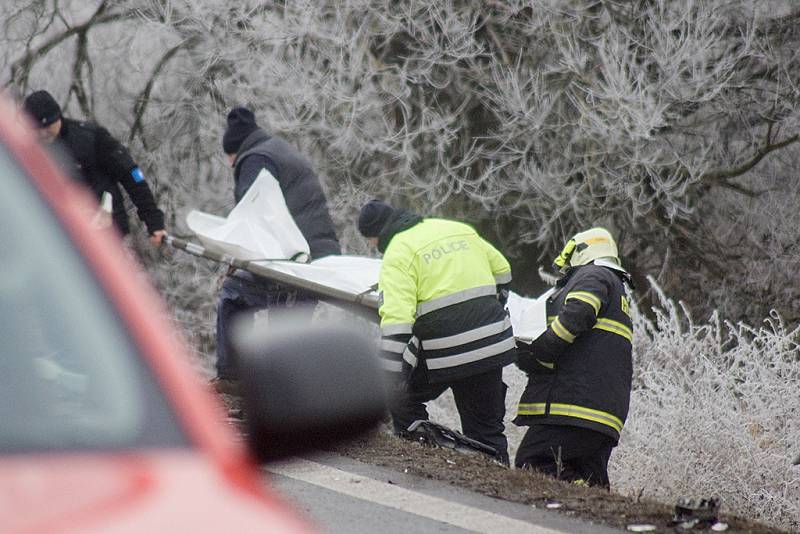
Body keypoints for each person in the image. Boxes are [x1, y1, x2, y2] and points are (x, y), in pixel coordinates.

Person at [358, 200, 516, 463]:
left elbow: (397, 324)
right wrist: (489, 313)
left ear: (375, 236)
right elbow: (502, 271)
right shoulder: (456, 228)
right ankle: (496, 479)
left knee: (402, 399)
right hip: (491, 344)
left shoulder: (398, 252)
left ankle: (424, 458)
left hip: (444, 348)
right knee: (486, 428)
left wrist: (387, 379)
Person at [214, 107, 341, 388]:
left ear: (234, 150)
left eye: (229, 158)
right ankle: (283, 385)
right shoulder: (278, 150)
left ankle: (233, 379)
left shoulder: (255, 159)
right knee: (287, 324)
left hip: (294, 259)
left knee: (234, 294)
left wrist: (235, 261)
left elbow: (251, 215)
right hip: (316, 256)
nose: (230, 164)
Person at [514, 227, 633, 488]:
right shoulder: (617, 291)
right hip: (600, 412)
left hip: (575, 407)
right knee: (590, 479)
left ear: (581, 251)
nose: (566, 272)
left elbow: (578, 312)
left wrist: (540, 348)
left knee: (534, 462)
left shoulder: (594, 274)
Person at [22, 90, 166, 245]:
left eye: (48, 126)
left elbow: (132, 175)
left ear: (58, 117)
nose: (43, 133)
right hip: (62, 241)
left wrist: (154, 222)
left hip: (109, 237)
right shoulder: (27, 152)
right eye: (36, 129)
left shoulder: (91, 138)